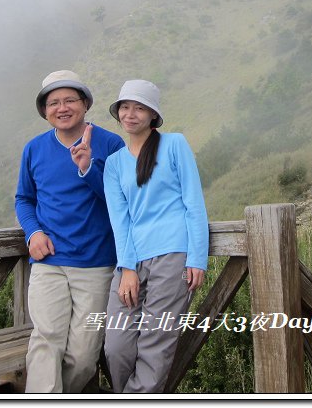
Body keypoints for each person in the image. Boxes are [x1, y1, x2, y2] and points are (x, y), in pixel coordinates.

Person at [14, 70, 125, 393]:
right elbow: (24, 198)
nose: (61, 108)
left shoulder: (111, 144)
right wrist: (33, 233)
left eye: (69, 100)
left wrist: (88, 168)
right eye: (53, 103)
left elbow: (120, 201)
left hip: (96, 263)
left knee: (84, 354)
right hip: (49, 262)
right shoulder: (34, 149)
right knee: (46, 339)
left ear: (85, 104)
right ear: (45, 111)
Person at [102, 79, 209, 393]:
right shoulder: (113, 164)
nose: (130, 114)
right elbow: (119, 222)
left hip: (173, 255)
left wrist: (197, 258)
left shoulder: (174, 144)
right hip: (131, 260)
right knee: (116, 345)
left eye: (139, 107)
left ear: (152, 115)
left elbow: (193, 202)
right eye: (125, 106)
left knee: (154, 343)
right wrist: (128, 269)